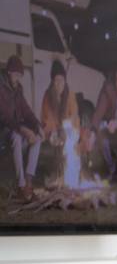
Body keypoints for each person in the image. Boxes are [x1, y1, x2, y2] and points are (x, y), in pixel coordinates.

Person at [1, 54, 43, 199]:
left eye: (20, 75)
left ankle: (28, 181)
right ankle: (21, 185)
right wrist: (23, 130)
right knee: (18, 137)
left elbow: (26, 110)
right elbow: (5, 118)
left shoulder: (18, 89)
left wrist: (37, 126)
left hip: (17, 129)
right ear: (9, 72)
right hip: (4, 132)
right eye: (16, 74)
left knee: (37, 139)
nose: (18, 78)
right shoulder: (1, 88)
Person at [38, 60, 76, 188]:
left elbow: (74, 115)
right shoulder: (48, 95)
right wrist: (54, 133)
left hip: (67, 128)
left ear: (65, 81)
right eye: (56, 80)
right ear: (52, 82)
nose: (59, 84)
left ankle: (68, 175)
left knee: (69, 141)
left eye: (61, 80)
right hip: (52, 130)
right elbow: (46, 119)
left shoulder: (70, 94)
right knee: (56, 143)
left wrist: (66, 129)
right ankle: (55, 175)